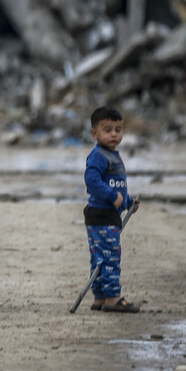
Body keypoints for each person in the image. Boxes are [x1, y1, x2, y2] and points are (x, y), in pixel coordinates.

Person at [84, 106, 140, 313]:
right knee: (110, 256)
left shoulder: (113, 155)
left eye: (118, 129)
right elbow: (92, 182)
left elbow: (117, 188)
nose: (114, 134)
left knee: (100, 257)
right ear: (94, 133)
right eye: (108, 130)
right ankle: (112, 298)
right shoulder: (99, 155)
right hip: (102, 215)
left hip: (106, 215)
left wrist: (127, 202)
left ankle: (99, 297)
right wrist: (112, 197)